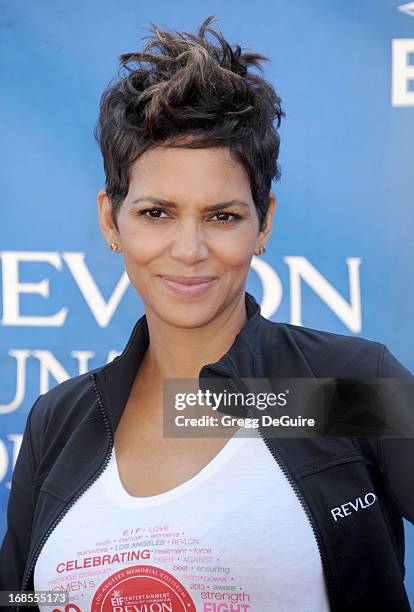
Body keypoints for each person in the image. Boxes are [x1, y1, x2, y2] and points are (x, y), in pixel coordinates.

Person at [1, 14, 413, 612]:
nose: (189, 250)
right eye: (156, 213)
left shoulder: (343, 386)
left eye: (222, 216)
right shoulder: (59, 420)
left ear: (263, 221)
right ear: (109, 220)